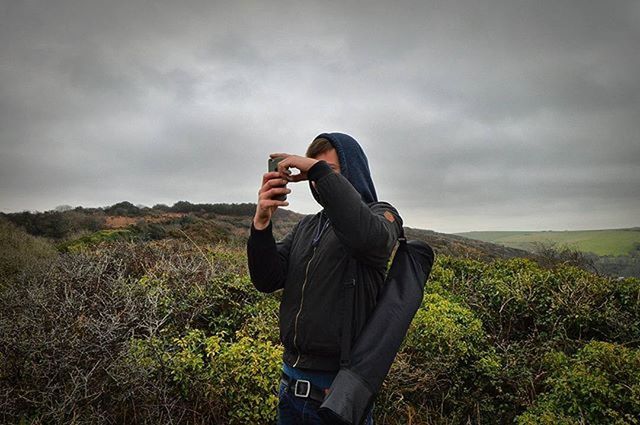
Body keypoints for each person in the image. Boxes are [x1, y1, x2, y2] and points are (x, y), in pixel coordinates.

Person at [247, 133, 403, 424]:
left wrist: (315, 169)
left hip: (338, 393)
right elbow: (266, 279)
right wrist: (261, 223)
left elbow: (368, 239)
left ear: (354, 170)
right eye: (314, 172)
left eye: (328, 171)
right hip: (291, 387)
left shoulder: (382, 215)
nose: (318, 180)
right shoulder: (309, 225)